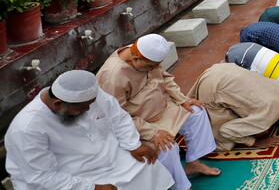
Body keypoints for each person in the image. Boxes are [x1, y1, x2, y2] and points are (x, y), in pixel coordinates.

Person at [5, 70, 173, 190]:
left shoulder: (87, 96)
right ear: (58, 105)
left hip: (109, 158)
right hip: (69, 176)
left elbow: (118, 116)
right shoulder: (28, 128)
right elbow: (42, 177)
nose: (88, 110)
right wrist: (92, 187)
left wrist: (133, 144)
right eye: (81, 109)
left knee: (147, 167)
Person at [96, 34, 220, 189]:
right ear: (135, 59)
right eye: (151, 66)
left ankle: (193, 163)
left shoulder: (146, 56)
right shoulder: (113, 76)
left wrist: (183, 99)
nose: (155, 68)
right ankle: (180, 186)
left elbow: (165, 78)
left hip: (163, 108)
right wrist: (151, 133)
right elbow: (116, 117)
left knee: (197, 111)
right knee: (167, 147)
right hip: (140, 122)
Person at [188, 63, 279, 151]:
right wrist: (255, 142)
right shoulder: (266, 120)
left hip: (222, 68)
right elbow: (226, 131)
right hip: (212, 86)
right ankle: (189, 148)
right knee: (225, 144)